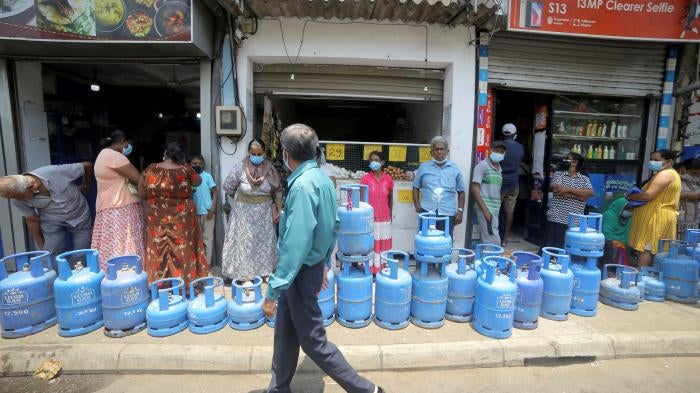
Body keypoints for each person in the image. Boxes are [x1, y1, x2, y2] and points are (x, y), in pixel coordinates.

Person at [262, 124, 382, 393]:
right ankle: (278, 387)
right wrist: (325, 263)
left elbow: (294, 244)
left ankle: (366, 389)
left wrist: (273, 289)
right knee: (285, 333)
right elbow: (332, 227)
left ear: (286, 152)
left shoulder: (303, 186)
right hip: (308, 269)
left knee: (314, 342)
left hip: (299, 273)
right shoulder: (323, 180)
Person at [139, 141, 208, 286]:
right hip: (181, 219)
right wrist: (186, 165)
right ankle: (185, 285)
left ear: (165, 153)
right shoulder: (185, 170)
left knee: (158, 251)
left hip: (157, 219)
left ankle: (159, 286)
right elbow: (198, 181)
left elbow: (142, 193)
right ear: (181, 156)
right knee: (182, 250)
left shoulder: (151, 169)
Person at [0, 163, 93, 265]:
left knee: (81, 254)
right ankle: (56, 278)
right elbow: (32, 220)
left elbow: (87, 166)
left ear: (32, 186)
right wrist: (41, 245)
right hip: (52, 222)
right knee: (50, 255)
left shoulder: (54, 172)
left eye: (20, 196)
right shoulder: (16, 199)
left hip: (80, 216)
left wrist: (86, 185)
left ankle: (77, 277)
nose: (17, 200)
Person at [222, 137, 282, 283]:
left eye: (259, 154)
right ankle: (244, 276)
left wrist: (278, 208)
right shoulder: (240, 167)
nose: (256, 157)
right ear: (249, 152)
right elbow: (228, 186)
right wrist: (240, 198)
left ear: (264, 153)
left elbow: (278, 190)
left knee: (265, 244)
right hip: (243, 213)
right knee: (244, 244)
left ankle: (265, 272)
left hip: (264, 213)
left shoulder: (270, 169)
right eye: (253, 154)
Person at [91, 130, 144, 270]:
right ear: (122, 141)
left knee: (113, 246)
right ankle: (129, 274)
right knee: (125, 244)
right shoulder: (114, 156)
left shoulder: (102, 154)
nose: (128, 147)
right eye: (127, 144)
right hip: (121, 208)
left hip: (108, 207)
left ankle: (112, 275)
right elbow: (138, 178)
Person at [627, 149, 682, 267]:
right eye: (651, 159)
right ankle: (645, 277)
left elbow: (648, 195)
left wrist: (631, 196)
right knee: (652, 248)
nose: (652, 162)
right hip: (657, 216)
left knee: (648, 248)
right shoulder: (666, 173)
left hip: (656, 217)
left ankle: (641, 277)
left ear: (669, 162)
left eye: (657, 160)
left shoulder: (666, 174)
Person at [412, 136, 466, 238]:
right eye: (436, 149)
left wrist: (460, 211)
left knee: (444, 241)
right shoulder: (424, 167)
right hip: (428, 212)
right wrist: (417, 204)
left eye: (442, 149)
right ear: (431, 152)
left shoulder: (455, 169)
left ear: (447, 151)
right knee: (426, 239)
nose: (439, 152)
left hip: (447, 214)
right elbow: (415, 187)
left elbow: (461, 191)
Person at [544, 152, 594, 249]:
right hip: (557, 217)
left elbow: (590, 193)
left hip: (575, 220)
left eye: (568, 158)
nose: (565, 160)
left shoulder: (584, 178)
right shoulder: (559, 174)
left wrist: (568, 189)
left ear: (574, 162)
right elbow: (557, 191)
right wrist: (580, 197)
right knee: (554, 248)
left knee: (569, 248)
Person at [360, 150, 394, 274]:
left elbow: (390, 198)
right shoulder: (366, 179)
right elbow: (362, 201)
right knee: (371, 245)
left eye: (376, 160)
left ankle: (383, 268)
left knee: (383, 245)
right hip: (370, 219)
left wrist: (390, 215)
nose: (373, 162)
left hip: (385, 219)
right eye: (371, 160)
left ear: (382, 162)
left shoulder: (388, 179)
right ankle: (370, 269)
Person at [471, 141, 506, 245]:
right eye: (496, 150)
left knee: (487, 240)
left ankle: (485, 260)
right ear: (491, 151)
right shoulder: (482, 166)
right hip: (486, 209)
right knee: (493, 241)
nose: (498, 153)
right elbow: (474, 188)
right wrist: (485, 210)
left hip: (494, 210)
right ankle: (493, 260)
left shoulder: (499, 169)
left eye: (501, 152)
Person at [499, 123, 525, 247]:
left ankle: (494, 236)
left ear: (503, 133)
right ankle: (504, 240)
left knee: (495, 210)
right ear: (515, 135)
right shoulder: (520, 147)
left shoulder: (499, 146)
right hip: (514, 183)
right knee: (510, 211)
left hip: (499, 183)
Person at [190, 154, 217, 266]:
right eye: (195, 164)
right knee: (196, 240)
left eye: (200, 164)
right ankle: (198, 265)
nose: (198, 166)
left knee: (208, 240)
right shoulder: (189, 178)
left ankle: (208, 264)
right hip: (194, 214)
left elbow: (215, 192)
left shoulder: (207, 176)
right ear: (190, 165)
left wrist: (212, 209)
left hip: (207, 213)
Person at [600, 197, 633, 269]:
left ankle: (621, 270)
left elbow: (628, 235)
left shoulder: (628, 218)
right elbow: (606, 233)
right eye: (626, 209)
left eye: (630, 209)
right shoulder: (609, 215)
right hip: (607, 243)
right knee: (616, 246)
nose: (629, 211)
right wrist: (619, 242)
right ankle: (610, 270)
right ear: (620, 207)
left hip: (624, 245)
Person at [678, 158, 700, 236]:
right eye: (694, 173)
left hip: (696, 219)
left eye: (698, 173)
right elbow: (670, 195)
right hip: (682, 218)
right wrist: (686, 195)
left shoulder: (697, 181)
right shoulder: (677, 180)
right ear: (685, 170)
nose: (696, 175)